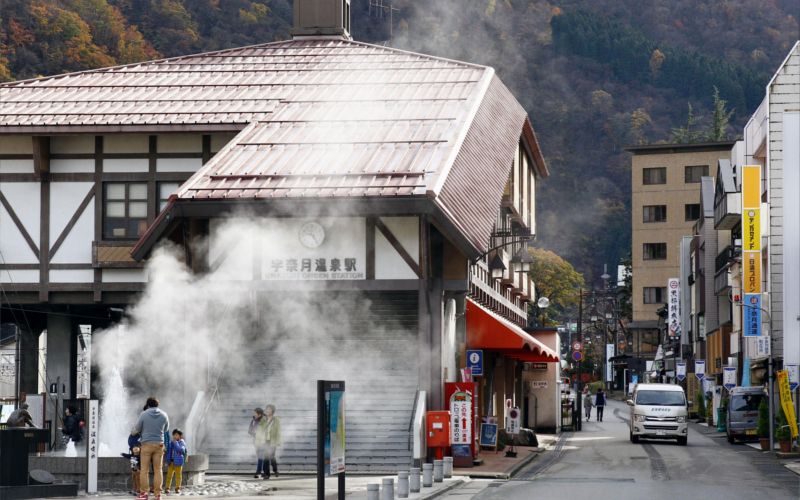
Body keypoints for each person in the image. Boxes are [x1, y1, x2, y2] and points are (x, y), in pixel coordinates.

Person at [131, 397, 169, 500]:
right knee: (158, 470)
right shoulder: (164, 414)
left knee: (144, 470)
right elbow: (166, 429)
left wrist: (133, 432)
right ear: (157, 404)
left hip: (146, 444)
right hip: (159, 445)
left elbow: (137, 428)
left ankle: (144, 494)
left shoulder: (144, 414)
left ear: (148, 404)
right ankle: (158, 495)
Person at [164, 429, 188, 494]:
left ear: (180, 436)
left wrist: (176, 443)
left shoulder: (182, 442)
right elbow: (169, 452)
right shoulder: (171, 442)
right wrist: (167, 460)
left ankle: (177, 488)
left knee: (178, 476)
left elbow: (181, 450)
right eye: (174, 435)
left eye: (176, 435)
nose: (175, 436)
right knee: (169, 476)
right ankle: (167, 488)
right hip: (171, 462)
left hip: (178, 462)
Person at [262, 405, 281, 479]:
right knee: (266, 457)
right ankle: (267, 474)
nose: (267, 411)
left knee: (271, 457)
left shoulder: (276, 420)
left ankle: (275, 469)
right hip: (265, 441)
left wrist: (278, 441)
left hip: (272, 441)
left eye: (269, 409)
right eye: (266, 409)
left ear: (272, 411)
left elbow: (278, 431)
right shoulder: (264, 419)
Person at [249, 408, 267, 478]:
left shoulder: (264, 420)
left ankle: (259, 471)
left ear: (259, 414)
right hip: (255, 441)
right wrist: (253, 434)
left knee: (260, 456)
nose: (254, 414)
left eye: (255, 413)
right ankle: (261, 471)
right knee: (259, 456)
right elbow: (249, 430)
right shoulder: (253, 420)